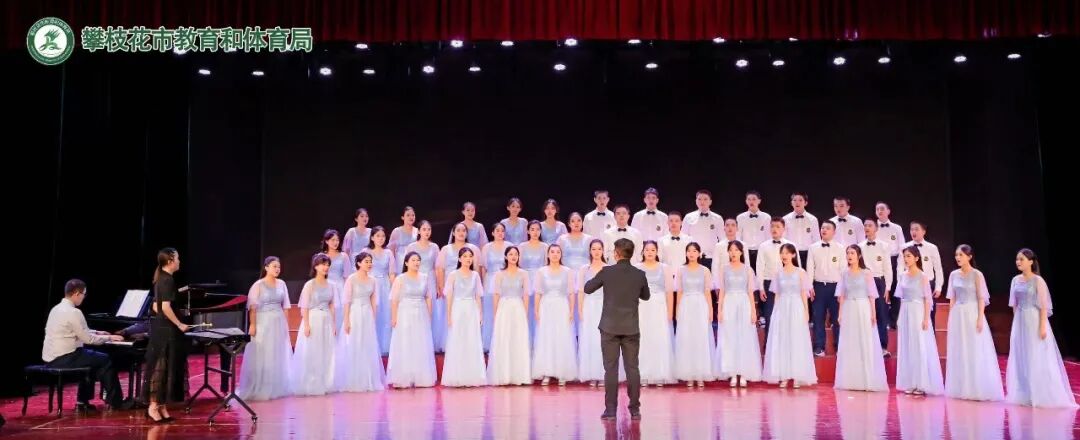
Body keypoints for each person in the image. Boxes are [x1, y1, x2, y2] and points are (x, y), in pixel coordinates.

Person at [584, 238, 650, 421]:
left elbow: (588, 288)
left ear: (616, 253)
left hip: (609, 327)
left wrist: (600, 275)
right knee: (632, 369)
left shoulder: (607, 272)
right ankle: (635, 410)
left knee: (611, 370)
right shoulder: (639, 274)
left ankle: (611, 410)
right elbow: (646, 296)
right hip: (631, 328)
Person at [42, 279, 129, 412]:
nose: (84, 297)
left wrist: (98, 332)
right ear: (77, 293)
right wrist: (109, 337)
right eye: (84, 294)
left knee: (90, 358)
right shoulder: (74, 312)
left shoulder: (56, 309)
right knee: (105, 359)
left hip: (51, 358)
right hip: (64, 358)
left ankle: (82, 402)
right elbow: (88, 339)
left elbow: (78, 330)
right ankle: (116, 402)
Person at [1005, 249, 1077, 408]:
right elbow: (1014, 304)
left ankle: (1040, 393)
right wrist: (1016, 323)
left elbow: (1044, 306)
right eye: (1017, 259)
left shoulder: (1038, 280)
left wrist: (1043, 326)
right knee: (1022, 355)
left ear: (1031, 261)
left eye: (1022, 259)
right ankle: (1025, 393)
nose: (1018, 262)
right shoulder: (1015, 280)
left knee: (1035, 355)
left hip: (1034, 319)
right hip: (1020, 320)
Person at [944, 245, 1003, 401]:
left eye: (961, 255)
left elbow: (981, 298)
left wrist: (980, 318)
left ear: (969, 257)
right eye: (956, 255)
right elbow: (952, 298)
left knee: (974, 348)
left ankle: (976, 387)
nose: (958, 257)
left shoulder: (977, 274)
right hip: (958, 314)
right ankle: (961, 387)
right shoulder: (953, 275)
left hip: (972, 313)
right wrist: (951, 316)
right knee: (960, 349)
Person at [142, 248, 191, 422]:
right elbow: (164, 307)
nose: (179, 261)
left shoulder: (161, 278)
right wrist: (179, 324)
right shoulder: (167, 280)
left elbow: (156, 306)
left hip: (161, 329)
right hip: (166, 332)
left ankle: (161, 405)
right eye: (177, 258)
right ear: (170, 261)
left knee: (165, 367)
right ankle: (153, 406)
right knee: (161, 369)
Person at [236, 257, 293, 400]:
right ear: (266, 267)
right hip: (263, 322)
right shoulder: (258, 285)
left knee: (277, 352)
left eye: (279, 267)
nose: (277, 269)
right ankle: (261, 385)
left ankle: (275, 385)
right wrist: (253, 325)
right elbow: (252, 307)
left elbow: (286, 306)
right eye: (274, 266)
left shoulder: (282, 284)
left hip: (278, 321)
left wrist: (286, 325)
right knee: (263, 352)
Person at [833, 245, 888, 392]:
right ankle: (851, 380)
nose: (849, 256)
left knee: (865, 341)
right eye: (848, 253)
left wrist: (873, 314)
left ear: (859, 256)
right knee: (850, 342)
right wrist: (840, 314)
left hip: (863, 308)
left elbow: (872, 295)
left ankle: (867, 380)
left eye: (852, 253)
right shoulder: (844, 273)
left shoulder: (866, 273)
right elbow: (841, 295)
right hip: (849, 308)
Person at [333, 252, 387, 392]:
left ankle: (368, 379)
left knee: (367, 344)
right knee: (354, 343)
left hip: (367, 313)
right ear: (358, 263)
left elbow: (374, 301)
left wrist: (373, 318)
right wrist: (346, 319)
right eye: (366, 261)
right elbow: (346, 301)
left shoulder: (373, 280)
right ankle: (353, 379)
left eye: (370, 261)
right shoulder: (351, 279)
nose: (369, 264)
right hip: (355, 313)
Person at [289, 253, 339, 396]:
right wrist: (306, 325)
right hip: (313, 319)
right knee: (313, 351)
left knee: (327, 351)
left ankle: (326, 382)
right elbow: (304, 307)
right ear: (316, 266)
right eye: (323, 264)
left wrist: (333, 324)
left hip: (326, 319)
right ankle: (312, 382)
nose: (326, 267)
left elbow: (332, 306)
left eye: (327, 265)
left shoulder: (332, 285)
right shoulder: (310, 285)